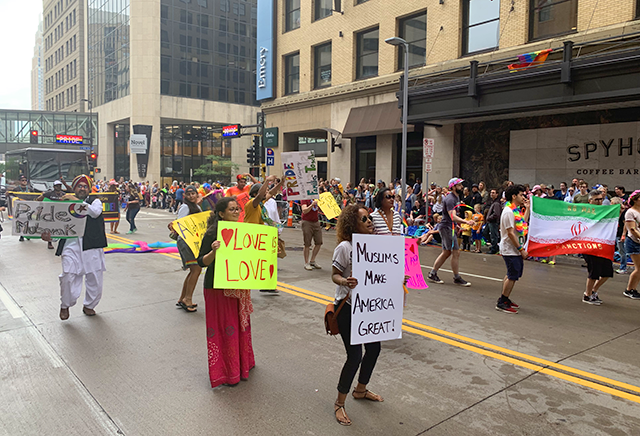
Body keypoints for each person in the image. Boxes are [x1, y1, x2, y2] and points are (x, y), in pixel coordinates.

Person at [332, 205, 388, 426]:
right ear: (352, 225)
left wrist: (396, 279)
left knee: (374, 348)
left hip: (369, 307)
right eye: (364, 219)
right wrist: (346, 281)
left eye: (369, 218)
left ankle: (361, 389)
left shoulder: (376, 246)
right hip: (348, 308)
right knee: (354, 356)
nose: (369, 222)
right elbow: (335, 275)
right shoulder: (345, 247)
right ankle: (339, 403)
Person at [197, 197, 256, 387]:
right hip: (217, 287)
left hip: (238, 286)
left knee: (240, 325)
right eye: (232, 209)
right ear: (221, 213)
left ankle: (242, 364)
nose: (236, 211)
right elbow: (201, 262)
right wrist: (214, 251)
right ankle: (226, 371)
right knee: (225, 327)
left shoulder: (244, 231)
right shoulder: (213, 233)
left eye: (237, 208)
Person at [42, 175, 107, 320]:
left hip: (92, 245)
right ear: (74, 188)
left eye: (85, 186)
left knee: (95, 278)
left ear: (89, 189)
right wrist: (50, 238)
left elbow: (95, 213)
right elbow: (58, 226)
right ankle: (65, 304)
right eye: (80, 186)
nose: (82, 188)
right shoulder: (64, 203)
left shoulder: (95, 201)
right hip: (71, 245)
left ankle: (89, 305)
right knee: (68, 275)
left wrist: (75, 201)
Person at [428, 178, 475, 286]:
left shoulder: (455, 197)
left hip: (449, 227)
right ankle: (456, 277)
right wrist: (466, 222)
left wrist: (457, 226)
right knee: (454, 252)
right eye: (459, 185)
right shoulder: (450, 199)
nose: (462, 187)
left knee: (448, 252)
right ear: (453, 187)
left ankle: (433, 273)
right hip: (446, 227)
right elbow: (452, 216)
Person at [496, 184, 529, 314]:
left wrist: (528, 210)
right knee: (512, 275)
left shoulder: (516, 210)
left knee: (513, 274)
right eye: (521, 195)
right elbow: (510, 232)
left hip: (515, 248)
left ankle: (505, 298)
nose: (523, 197)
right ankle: (502, 301)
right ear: (514, 196)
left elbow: (522, 225)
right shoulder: (509, 212)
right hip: (510, 249)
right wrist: (521, 249)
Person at [171, 185, 202, 313]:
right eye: (188, 195)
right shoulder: (185, 207)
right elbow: (181, 223)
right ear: (185, 196)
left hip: (193, 242)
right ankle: (187, 299)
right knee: (196, 269)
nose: (191, 196)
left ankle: (182, 298)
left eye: (193, 194)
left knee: (193, 270)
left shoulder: (197, 207)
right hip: (186, 241)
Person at [581, 190, 613, 305]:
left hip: (603, 246)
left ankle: (593, 290)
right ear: (590, 201)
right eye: (597, 200)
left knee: (607, 272)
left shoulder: (606, 210)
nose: (599, 202)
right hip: (589, 246)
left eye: (601, 199)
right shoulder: (585, 212)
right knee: (594, 272)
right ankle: (587, 295)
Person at [623, 190, 640, 300]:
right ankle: (629, 289)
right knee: (639, 268)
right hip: (634, 242)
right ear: (635, 199)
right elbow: (632, 229)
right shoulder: (630, 212)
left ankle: (633, 289)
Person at [301, 198, 323, 270]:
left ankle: (312, 260)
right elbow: (304, 211)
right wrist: (311, 205)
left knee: (319, 242)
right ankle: (306, 262)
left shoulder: (316, 198)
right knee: (307, 243)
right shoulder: (304, 199)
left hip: (316, 221)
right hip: (307, 221)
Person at [612, 197, 628, 274]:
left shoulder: (624, 212)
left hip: (621, 234)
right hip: (617, 233)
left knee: (622, 251)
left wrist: (623, 235)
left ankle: (623, 267)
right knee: (619, 250)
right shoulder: (617, 212)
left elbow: (626, 224)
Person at [486, 189, 502, 254]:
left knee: (494, 236)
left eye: (493, 193)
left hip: (493, 222)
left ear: (497, 194)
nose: (491, 194)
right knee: (486, 233)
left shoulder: (496, 203)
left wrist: (489, 218)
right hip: (490, 221)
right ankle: (494, 246)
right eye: (491, 193)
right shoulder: (493, 202)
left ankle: (494, 248)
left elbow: (496, 214)